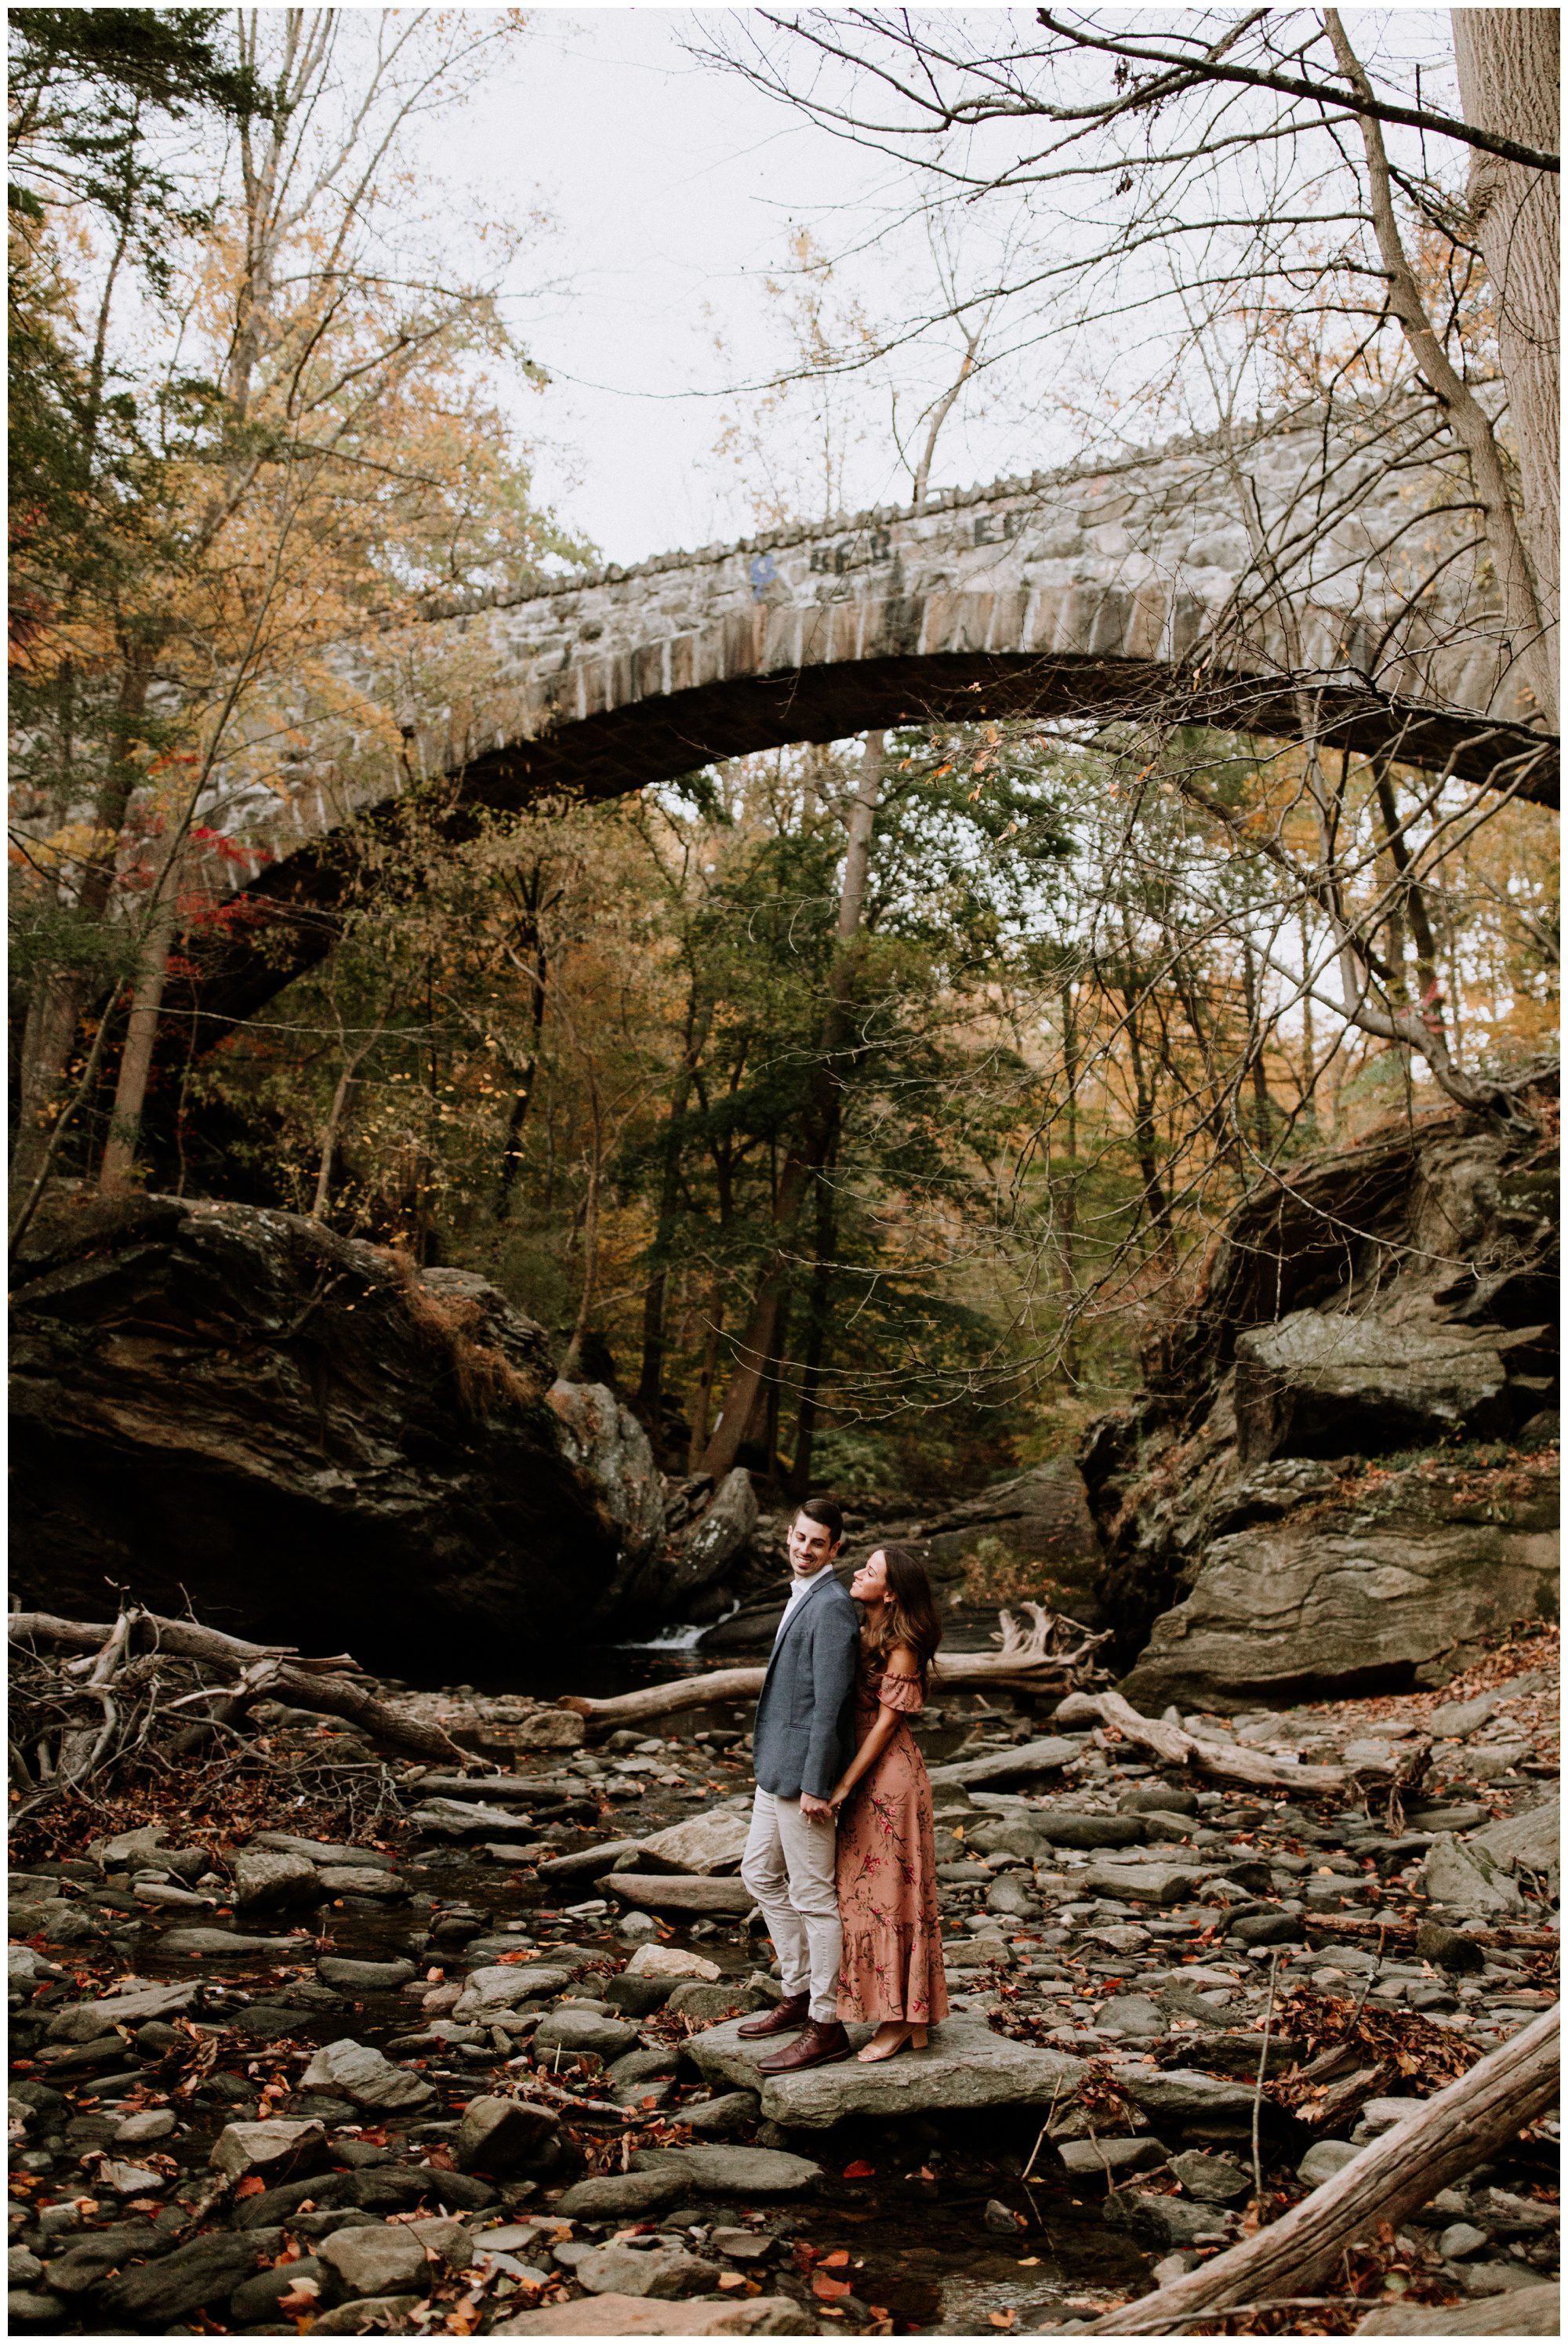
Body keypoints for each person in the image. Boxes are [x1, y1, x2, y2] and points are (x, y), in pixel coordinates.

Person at [737, 1497, 860, 2074]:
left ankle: (827, 2024)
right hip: (777, 1768)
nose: (805, 1549)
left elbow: (831, 1706)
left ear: (835, 1548)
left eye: (817, 1542)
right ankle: (799, 1991)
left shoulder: (833, 1606)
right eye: (800, 1537)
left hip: (804, 1778)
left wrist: (817, 1784)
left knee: (814, 1897)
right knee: (758, 1873)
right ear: (789, 1534)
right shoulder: (802, 1593)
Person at [827, 1544, 949, 2062]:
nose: (858, 1572)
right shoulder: (863, 1630)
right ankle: (897, 2012)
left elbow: (885, 1726)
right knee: (860, 1895)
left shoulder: (903, 1644)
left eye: (870, 1570)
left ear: (892, 1592)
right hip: (864, 1773)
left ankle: (899, 2020)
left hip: (889, 1782)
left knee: (891, 1898)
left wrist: (843, 1786)